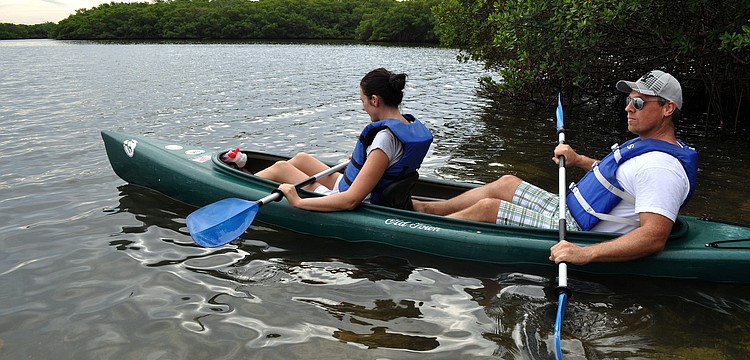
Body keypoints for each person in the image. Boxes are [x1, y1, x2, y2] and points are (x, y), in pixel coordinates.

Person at [413, 70, 698, 265]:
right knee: (505, 183)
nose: (628, 108)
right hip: (568, 207)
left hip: (579, 231)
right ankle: (428, 210)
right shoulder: (648, 149)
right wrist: (577, 160)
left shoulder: (662, 169)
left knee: (489, 208)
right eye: (628, 100)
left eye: (638, 102)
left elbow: (653, 237)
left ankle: (418, 232)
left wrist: (585, 253)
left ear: (667, 109)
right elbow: (620, 180)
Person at [223, 68, 433, 212]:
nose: (363, 107)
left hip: (349, 197)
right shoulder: (406, 124)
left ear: (375, 100)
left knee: (280, 168)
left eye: (363, 101)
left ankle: (236, 190)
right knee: (301, 158)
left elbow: (350, 201)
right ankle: (250, 178)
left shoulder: (385, 141)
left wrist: (297, 202)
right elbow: (387, 166)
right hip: (353, 186)